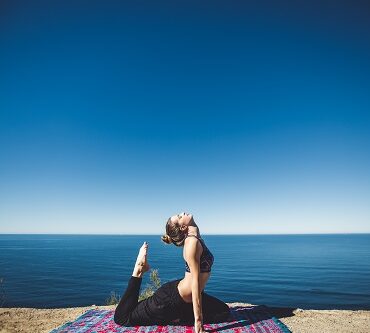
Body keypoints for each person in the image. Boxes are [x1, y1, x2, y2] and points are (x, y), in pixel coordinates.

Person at [113, 212, 230, 333]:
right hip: (170, 299)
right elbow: (195, 284)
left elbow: (198, 284)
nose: (182, 213)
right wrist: (198, 323)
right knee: (123, 318)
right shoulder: (192, 243)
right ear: (183, 227)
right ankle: (138, 270)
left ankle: (176, 316)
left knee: (224, 312)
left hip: (185, 298)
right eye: (179, 217)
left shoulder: (196, 237)